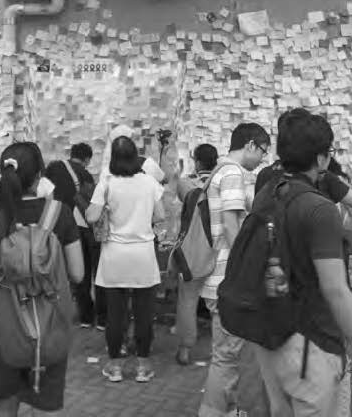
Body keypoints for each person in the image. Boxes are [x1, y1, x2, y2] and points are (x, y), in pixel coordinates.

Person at [251, 108, 352, 417]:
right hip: (312, 347)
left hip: (270, 338)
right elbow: (336, 291)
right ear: (321, 158)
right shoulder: (320, 210)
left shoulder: (267, 191)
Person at [0, 142, 84, 416]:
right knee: (46, 404)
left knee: (5, 402)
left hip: (2, 323)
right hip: (51, 321)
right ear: (39, 176)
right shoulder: (60, 214)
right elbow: (78, 273)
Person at [199, 123, 271, 417]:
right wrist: (246, 272)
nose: (263, 159)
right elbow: (232, 225)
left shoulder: (219, 172)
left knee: (227, 355)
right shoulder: (231, 174)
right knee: (227, 357)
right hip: (227, 279)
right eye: (263, 151)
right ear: (251, 144)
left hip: (220, 278)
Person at [85, 135, 165, 384]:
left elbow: (91, 216)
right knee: (144, 314)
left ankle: (115, 367)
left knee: (116, 315)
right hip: (143, 254)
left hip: (114, 256)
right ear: (135, 156)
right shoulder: (149, 182)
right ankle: (142, 366)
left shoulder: (107, 183)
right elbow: (160, 215)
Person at [43, 143, 102, 329]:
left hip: (57, 224)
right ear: (87, 159)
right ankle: (101, 317)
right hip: (83, 227)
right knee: (94, 271)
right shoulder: (85, 174)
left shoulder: (53, 167)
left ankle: (84, 315)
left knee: (73, 273)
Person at [172, 143, 218, 366]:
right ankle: (218, 351)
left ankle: (185, 349)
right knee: (218, 305)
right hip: (219, 253)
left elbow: (179, 189)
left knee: (187, 302)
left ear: (197, 162)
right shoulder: (222, 185)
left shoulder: (187, 185)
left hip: (193, 254)